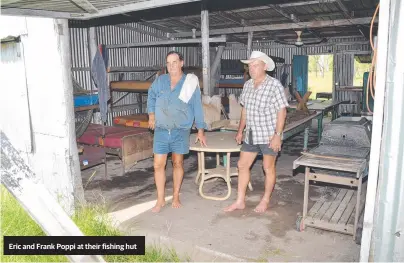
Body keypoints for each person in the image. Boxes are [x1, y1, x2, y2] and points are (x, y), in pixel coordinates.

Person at [224, 51, 289, 213]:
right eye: (250, 66)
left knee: (268, 168)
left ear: (265, 67)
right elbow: (245, 110)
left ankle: (265, 200)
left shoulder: (274, 85)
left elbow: (282, 112)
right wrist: (240, 131)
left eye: (255, 65)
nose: (251, 69)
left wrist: (278, 135)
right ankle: (240, 201)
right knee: (242, 165)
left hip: (269, 134)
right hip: (251, 134)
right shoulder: (247, 85)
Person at [147, 51, 207, 213]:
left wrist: (200, 130)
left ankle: (175, 195)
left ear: (181, 63)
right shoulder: (160, 81)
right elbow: (151, 96)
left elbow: (197, 107)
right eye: (168, 63)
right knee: (158, 165)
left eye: (174, 62)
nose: (171, 66)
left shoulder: (190, 82)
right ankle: (160, 199)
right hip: (160, 129)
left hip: (180, 130)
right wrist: (151, 115)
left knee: (177, 163)